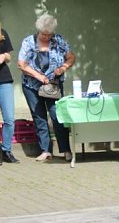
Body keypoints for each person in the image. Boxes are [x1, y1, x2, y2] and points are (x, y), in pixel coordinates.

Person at [17, 15, 76, 162]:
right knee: (39, 117)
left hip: (53, 86)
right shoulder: (28, 42)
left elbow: (71, 57)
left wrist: (63, 67)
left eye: (49, 34)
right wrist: (38, 76)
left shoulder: (59, 40)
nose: (47, 37)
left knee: (57, 116)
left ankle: (66, 149)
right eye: (44, 34)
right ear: (39, 31)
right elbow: (21, 64)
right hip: (31, 85)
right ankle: (45, 150)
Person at [0, 20, 18, 164]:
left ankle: (6, 150)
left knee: (9, 119)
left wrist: (3, 56)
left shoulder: (2, 33)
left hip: (4, 80)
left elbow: (9, 56)